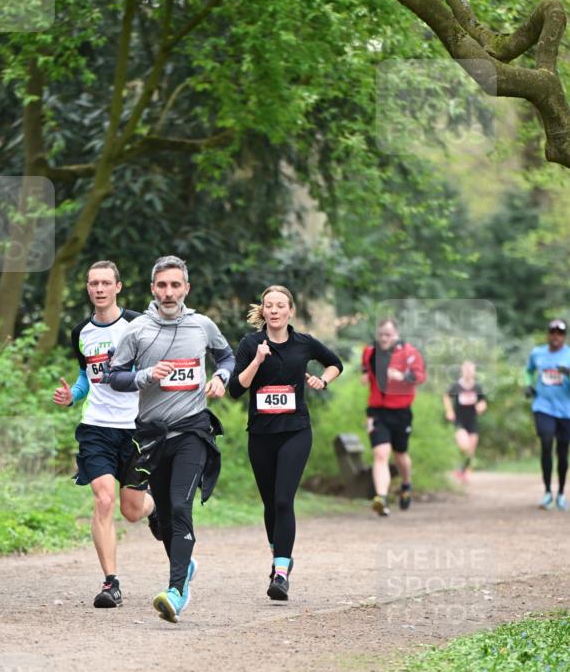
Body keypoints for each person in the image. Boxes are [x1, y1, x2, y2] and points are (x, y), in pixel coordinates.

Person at [106, 255, 235, 623]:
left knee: (181, 507)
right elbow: (114, 377)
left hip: (192, 430)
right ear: (152, 289)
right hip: (151, 436)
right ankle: (185, 563)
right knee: (162, 519)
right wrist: (145, 376)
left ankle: (177, 592)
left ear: (186, 289)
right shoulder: (137, 330)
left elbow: (226, 357)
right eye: (162, 285)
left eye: (175, 285)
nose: (168, 292)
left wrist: (222, 378)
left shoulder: (202, 325)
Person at [229, 286, 343, 601]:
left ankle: (280, 574)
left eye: (281, 305)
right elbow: (235, 389)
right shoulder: (250, 344)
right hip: (261, 435)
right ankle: (280, 554)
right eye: (270, 305)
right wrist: (257, 360)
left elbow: (335, 363)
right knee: (269, 504)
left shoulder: (304, 343)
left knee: (283, 501)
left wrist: (323, 380)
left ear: (290, 310)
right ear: (263, 311)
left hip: (296, 432)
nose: (275, 310)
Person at [52, 261, 155, 609]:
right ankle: (111, 582)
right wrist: (72, 396)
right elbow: (86, 378)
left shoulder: (139, 325)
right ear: (87, 288)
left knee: (132, 510)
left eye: (105, 283)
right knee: (103, 499)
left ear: (118, 287)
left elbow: (153, 370)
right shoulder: (81, 331)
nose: (99, 289)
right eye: (93, 283)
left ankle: (156, 507)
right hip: (95, 426)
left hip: (135, 427)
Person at [361, 317, 426, 517]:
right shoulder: (370, 352)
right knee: (380, 454)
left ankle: (406, 484)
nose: (384, 338)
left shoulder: (409, 353)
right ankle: (381, 498)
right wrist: (364, 374)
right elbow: (365, 367)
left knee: (400, 455)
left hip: (401, 412)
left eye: (388, 334)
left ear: (396, 334)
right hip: (377, 411)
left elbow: (420, 377)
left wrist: (402, 377)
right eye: (381, 335)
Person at [525, 317, 570, 510]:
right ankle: (546, 492)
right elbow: (528, 371)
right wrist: (528, 384)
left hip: (566, 410)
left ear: (564, 336)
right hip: (542, 406)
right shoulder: (538, 353)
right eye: (553, 332)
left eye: (560, 333)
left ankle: (560, 493)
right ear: (548, 334)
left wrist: (568, 373)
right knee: (546, 441)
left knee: (562, 452)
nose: (556, 336)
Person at [443, 361, 488, 481]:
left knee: (471, 449)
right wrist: (449, 410)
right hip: (459, 420)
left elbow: (483, 401)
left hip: (472, 420)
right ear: (462, 371)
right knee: (465, 445)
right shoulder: (456, 386)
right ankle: (458, 467)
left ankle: (464, 471)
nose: (469, 372)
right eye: (466, 370)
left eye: (471, 370)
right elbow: (446, 396)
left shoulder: (477, 387)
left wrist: (481, 406)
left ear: (474, 372)